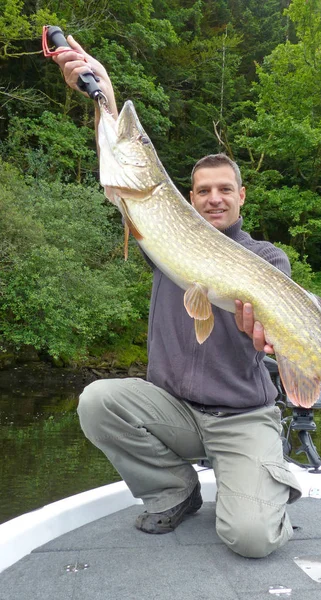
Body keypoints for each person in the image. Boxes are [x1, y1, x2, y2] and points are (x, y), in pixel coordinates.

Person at [52, 37, 302, 559]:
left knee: (252, 541)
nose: (213, 197)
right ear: (188, 198)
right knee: (98, 401)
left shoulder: (267, 259)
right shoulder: (161, 241)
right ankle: (174, 489)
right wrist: (104, 94)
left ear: (240, 196)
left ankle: (268, 487)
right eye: (203, 190)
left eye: (224, 189)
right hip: (174, 411)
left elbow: (272, 332)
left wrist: (271, 336)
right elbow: (124, 170)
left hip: (241, 418)